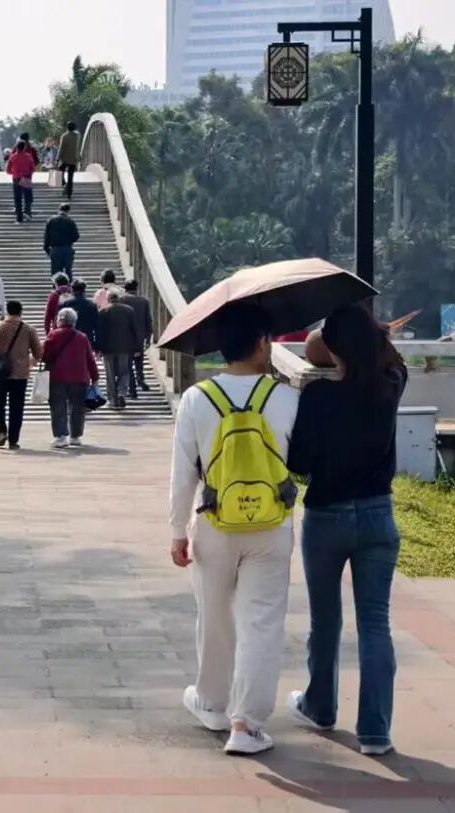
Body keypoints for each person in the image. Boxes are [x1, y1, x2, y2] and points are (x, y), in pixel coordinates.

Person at [170, 302, 299, 756]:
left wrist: (176, 532)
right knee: (261, 620)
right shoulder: (285, 398)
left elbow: (182, 473)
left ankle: (211, 703)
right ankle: (246, 724)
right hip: (271, 525)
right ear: (263, 345)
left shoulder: (196, 398)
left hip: (212, 522)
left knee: (215, 615)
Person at [286, 305, 408, 757]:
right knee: (376, 624)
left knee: (327, 618)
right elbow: (388, 354)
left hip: (327, 516)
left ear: (332, 348)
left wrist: (323, 338)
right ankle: (375, 732)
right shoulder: (392, 383)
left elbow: (297, 464)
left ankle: (320, 706)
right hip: (379, 516)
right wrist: (364, 329)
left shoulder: (318, 396)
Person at [0, 300, 42, 450]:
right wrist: (30, 362)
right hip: (20, 375)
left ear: (7, 312)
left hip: (1, 373)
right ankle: (13, 440)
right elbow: (38, 352)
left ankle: (1, 431)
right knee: (16, 407)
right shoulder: (29, 330)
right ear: (20, 312)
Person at [42, 307, 99, 448]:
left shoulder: (53, 335)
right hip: (79, 377)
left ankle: (61, 436)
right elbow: (90, 359)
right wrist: (95, 377)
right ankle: (75, 436)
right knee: (78, 408)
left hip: (57, 377)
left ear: (60, 320)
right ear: (74, 321)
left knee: (57, 407)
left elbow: (45, 356)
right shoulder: (82, 337)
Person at [97, 290, 140, 410]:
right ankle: (122, 393)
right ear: (119, 298)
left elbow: (99, 332)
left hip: (108, 348)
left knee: (110, 374)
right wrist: (136, 347)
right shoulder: (129, 310)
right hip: (124, 347)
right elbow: (134, 330)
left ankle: (112, 399)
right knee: (124, 372)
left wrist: (98, 348)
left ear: (108, 299)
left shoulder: (102, 311)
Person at [121, 279, 154, 397]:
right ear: (136, 288)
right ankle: (141, 379)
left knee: (128, 364)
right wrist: (149, 337)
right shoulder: (144, 301)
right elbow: (148, 320)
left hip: (126, 336)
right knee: (139, 360)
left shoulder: (122, 300)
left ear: (125, 288)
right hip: (140, 337)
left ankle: (132, 390)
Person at [43, 203, 80, 280]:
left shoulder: (51, 221)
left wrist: (47, 249)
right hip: (67, 249)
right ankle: (68, 289)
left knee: (55, 273)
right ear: (68, 211)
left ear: (59, 210)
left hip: (55, 249)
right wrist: (69, 241)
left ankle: (56, 290)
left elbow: (46, 236)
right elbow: (76, 236)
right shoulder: (70, 221)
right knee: (68, 272)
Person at [62, 278, 99, 349]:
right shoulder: (92, 305)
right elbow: (97, 326)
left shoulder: (67, 304)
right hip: (87, 340)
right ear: (84, 291)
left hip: (69, 341)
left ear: (72, 291)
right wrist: (97, 345)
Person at [5, 140, 36, 224]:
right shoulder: (28, 156)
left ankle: (19, 218)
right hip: (26, 177)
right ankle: (28, 213)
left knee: (17, 199)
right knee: (27, 197)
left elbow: (7, 170)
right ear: (24, 147)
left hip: (16, 178)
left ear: (16, 147)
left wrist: (14, 173)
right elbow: (33, 169)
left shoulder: (12, 157)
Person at [58, 121, 82, 200]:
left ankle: (65, 185)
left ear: (67, 127)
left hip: (65, 158)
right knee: (70, 176)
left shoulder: (65, 136)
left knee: (60, 173)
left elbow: (62, 147)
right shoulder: (77, 136)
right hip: (73, 159)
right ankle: (69, 193)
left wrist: (58, 157)